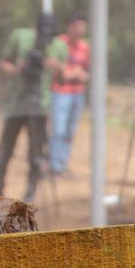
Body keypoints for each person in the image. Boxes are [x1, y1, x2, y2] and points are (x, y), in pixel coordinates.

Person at [0, 11, 62, 203]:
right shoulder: (20, 37)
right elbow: (2, 64)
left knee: (36, 155)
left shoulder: (59, 47)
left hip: (40, 107)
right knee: (5, 151)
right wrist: (16, 69)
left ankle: (30, 192)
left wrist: (54, 66)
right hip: (16, 105)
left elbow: (65, 76)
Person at [46, 12, 89, 176]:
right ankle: (55, 164)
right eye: (77, 26)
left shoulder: (85, 47)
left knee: (70, 130)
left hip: (78, 92)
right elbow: (50, 62)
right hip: (60, 92)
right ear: (69, 27)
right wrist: (66, 71)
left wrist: (81, 75)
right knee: (58, 129)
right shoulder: (58, 43)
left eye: (82, 27)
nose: (80, 30)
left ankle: (62, 163)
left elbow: (88, 70)